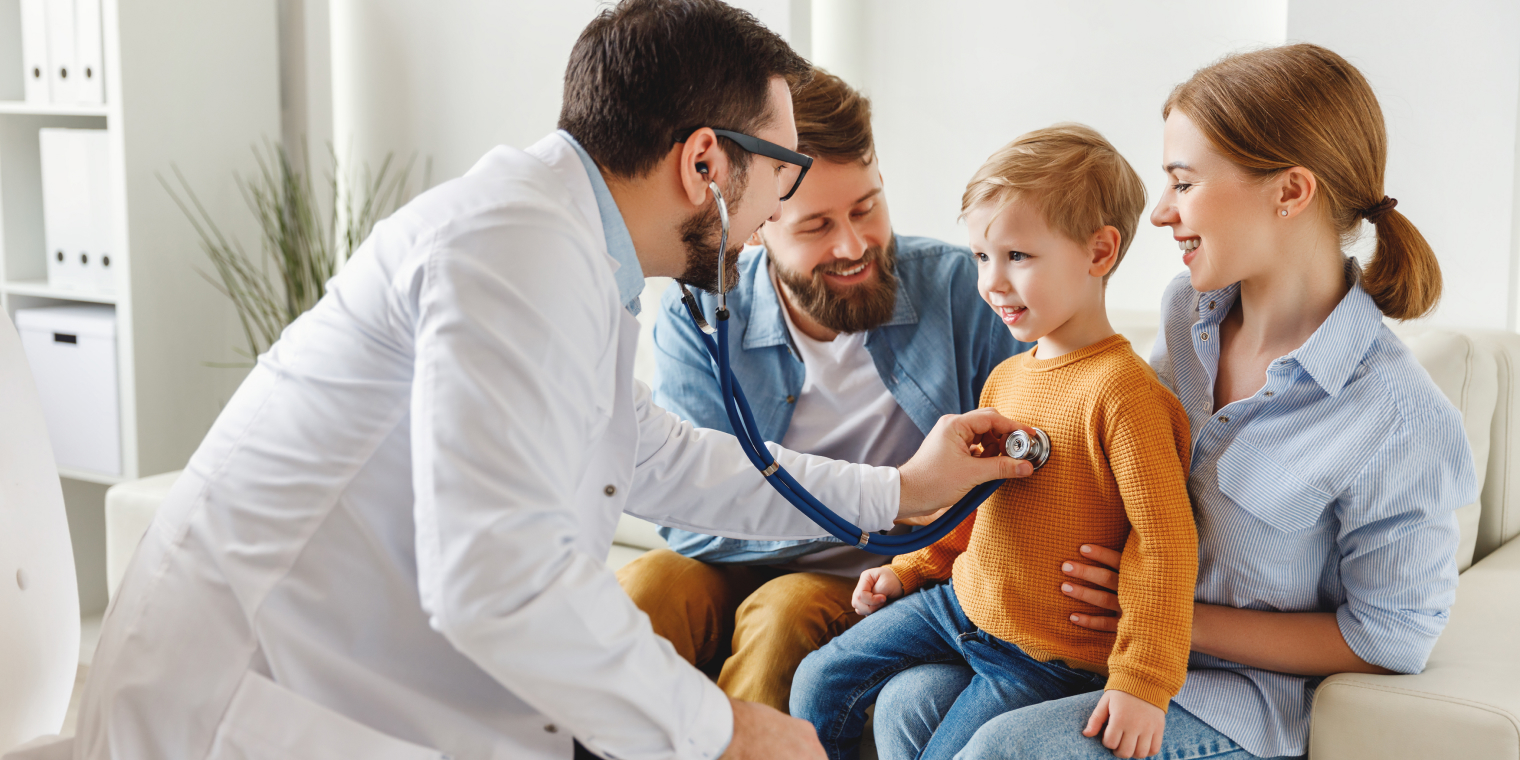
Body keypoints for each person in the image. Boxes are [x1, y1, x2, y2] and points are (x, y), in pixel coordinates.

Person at [64, 3, 1034, 759]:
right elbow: (495, 577)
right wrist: (722, 730)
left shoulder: (567, 248)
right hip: (254, 709)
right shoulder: (516, 251)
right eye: (781, 176)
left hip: (337, 692)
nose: (778, 208)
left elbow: (653, 453)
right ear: (704, 160)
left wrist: (902, 490)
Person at [873, 44, 1478, 760]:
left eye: (1183, 183)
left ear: (1290, 192)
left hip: (1231, 696)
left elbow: (1390, 641)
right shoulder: (1186, 315)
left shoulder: (1400, 419)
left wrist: (1171, 622)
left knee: (1004, 750)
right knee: (903, 703)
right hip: (1098, 651)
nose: (1159, 214)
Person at [615, 69, 1030, 715]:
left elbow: (1047, 432)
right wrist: (885, 503)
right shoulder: (697, 311)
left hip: (881, 580)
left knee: (785, 608)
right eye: (815, 227)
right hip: (744, 558)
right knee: (647, 584)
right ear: (756, 226)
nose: (854, 245)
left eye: (866, 208)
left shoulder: (963, 291)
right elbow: (688, 521)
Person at [790, 124, 1198, 760]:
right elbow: (974, 506)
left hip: (1045, 656)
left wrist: (1144, 681)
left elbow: (1164, 545)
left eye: (1018, 257)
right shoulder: (1006, 377)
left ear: (1099, 252)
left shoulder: (1126, 396)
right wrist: (909, 571)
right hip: (962, 606)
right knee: (815, 681)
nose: (992, 283)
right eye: (982, 257)